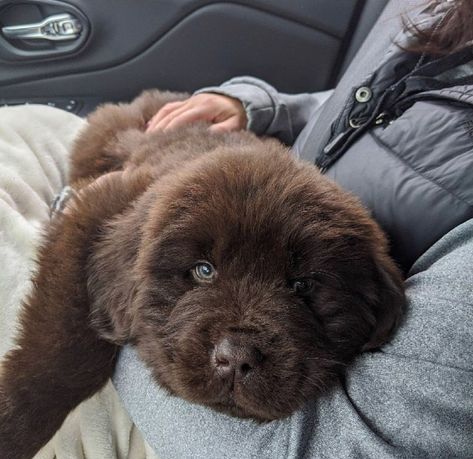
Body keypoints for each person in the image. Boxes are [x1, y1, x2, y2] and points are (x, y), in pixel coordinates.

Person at [111, 0, 473, 457]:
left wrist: (122, 313)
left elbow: (321, 447)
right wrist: (265, 108)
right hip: (214, 260)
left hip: (189, 409)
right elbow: (370, 100)